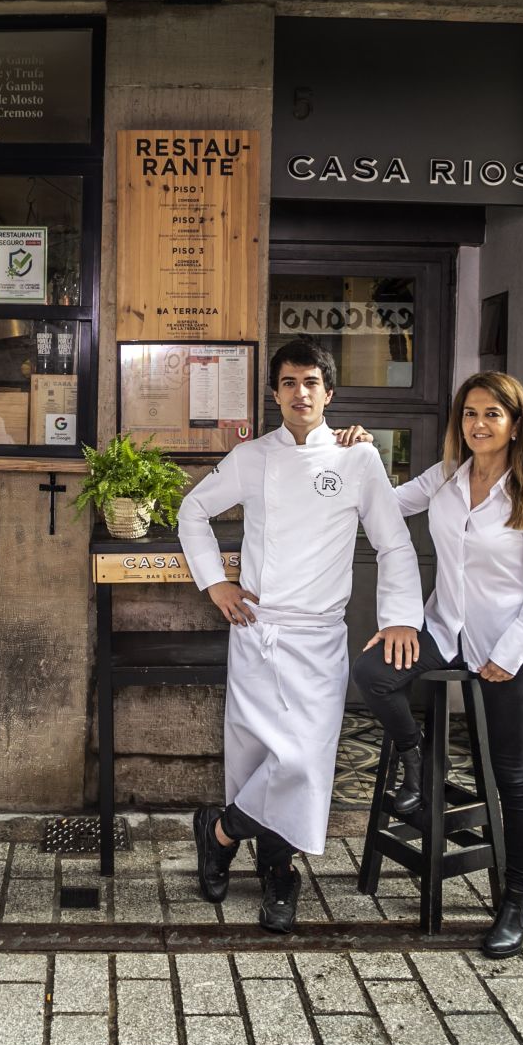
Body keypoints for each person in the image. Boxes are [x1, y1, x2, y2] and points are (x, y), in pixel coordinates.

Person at [179, 339, 422, 934]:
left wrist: (399, 617)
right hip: (259, 630)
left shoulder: (358, 459)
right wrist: (216, 583)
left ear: (328, 392)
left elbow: (393, 542)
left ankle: (220, 831)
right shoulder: (252, 457)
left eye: (311, 382)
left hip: (319, 638)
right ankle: (278, 869)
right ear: (275, 393)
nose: (300, 392)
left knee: (304, 762)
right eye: (289, 382)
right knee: (259, 756)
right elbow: (193, 511)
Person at [351, 370, 523, 959]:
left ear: (515, 424)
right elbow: (385, 508)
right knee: (372, 674)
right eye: (470, 413)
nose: (478, 424)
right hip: (444, 630)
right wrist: (363, 458)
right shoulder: (446, 476)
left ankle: (516, 899)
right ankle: (417, 762)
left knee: (513, 776)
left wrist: (510, 654)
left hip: (504, 644)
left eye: (492, 414)